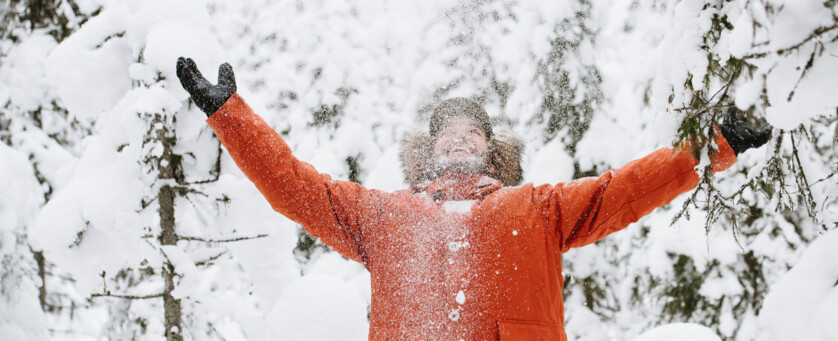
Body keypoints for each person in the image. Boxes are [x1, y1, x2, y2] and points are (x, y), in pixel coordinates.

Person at [176, 57, 770, 340]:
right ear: (431, 150)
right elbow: (296, 188)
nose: (459, 136)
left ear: (490, 150)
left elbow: (629, 189)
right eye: (447, 132)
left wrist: (712, 145)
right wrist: (230, 117)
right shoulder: (384, 216)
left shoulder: (536, 209)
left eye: (473, 131)